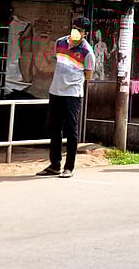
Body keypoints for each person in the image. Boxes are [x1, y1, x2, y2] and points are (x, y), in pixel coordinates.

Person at [37, 17, 95, 179]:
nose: (76, 31)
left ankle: (69, 167)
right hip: (55, 91)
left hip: (73, 94)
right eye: (75, 28)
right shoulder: (60, 42)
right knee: (54, 129)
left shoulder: (87, 52)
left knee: (71, 130)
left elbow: (88, 75)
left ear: (85, 33)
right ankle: (55, 164)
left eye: (80, 30)